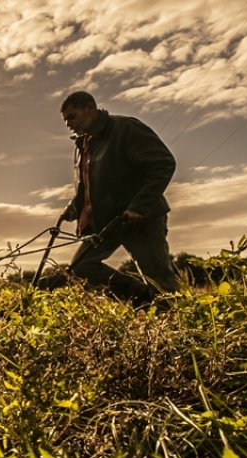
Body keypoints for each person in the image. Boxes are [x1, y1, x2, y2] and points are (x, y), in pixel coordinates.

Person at [58, 91, 179, 303]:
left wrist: (139, 206)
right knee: (81, 267)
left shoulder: (125, 129)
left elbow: (163, 163)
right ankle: (142, 298)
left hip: (139, 219)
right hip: (105, 223)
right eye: (66, 119)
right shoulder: (84, 144)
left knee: (158, 276)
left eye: (72, 117)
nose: (69, 124)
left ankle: (177, 320)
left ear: (90, 108)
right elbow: (87, 184)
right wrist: (74, 207)